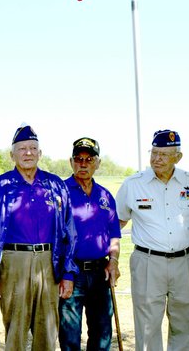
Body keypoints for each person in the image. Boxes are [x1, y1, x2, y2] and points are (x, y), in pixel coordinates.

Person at [0, 125, 78, 351]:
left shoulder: (55, 185)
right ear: (12, 154)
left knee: (47, 332)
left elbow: (69, 232)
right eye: (22, 148)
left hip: (48, 262)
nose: (28, 153)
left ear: (40, 153)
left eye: (33, 148)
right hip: (13, 264)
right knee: (16, 331)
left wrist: (68, 273)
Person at [116, 129, 189, 351]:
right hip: (148, 261)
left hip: (186, 261)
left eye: (164, 154)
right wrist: (109, 257)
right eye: (154, 153)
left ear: (178, 157)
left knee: (186, 321)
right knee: (147, 325)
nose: (157, 159)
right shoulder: (133, 184)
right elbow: (117, 222)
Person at [59, 137, 121, 351]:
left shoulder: (105, 195)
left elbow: (114, 234)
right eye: (78, 159)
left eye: (89, 159)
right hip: (71, 273)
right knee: (70, 336)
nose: (83, 164)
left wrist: (113, 261)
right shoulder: (60, 192)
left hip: (100, 272)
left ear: (98, 163)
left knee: (102, 332)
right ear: (71, 162)